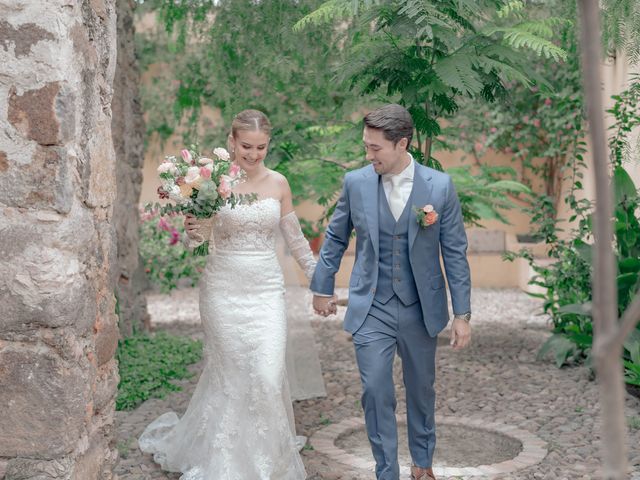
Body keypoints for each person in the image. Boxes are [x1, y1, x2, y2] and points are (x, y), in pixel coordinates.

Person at [139, 109, 318, 480]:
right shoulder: (212, 184)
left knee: (267, 376)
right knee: (234, 375)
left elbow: (297, 241)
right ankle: (226, 463)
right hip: (223, 290)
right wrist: (193, 228)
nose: (253, 155)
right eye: (246, 147)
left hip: (267, 291)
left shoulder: (279, 183)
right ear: (231, 142)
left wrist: (321, 280)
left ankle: (265, 460)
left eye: (261, 147)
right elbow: (197, 241)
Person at [310, 104, 472, 480]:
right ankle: (386, 471)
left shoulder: (439, 186)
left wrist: (462, 315)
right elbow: (335, 236)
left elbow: (455, 253)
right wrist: (322, 286)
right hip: (372, 307)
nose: (368, 155)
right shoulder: (356, 182)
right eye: (366, 146)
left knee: (421, 390)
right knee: (375, 389)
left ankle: (422, 463)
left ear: (401, 144)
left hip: (420, 308)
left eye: (375, 148)